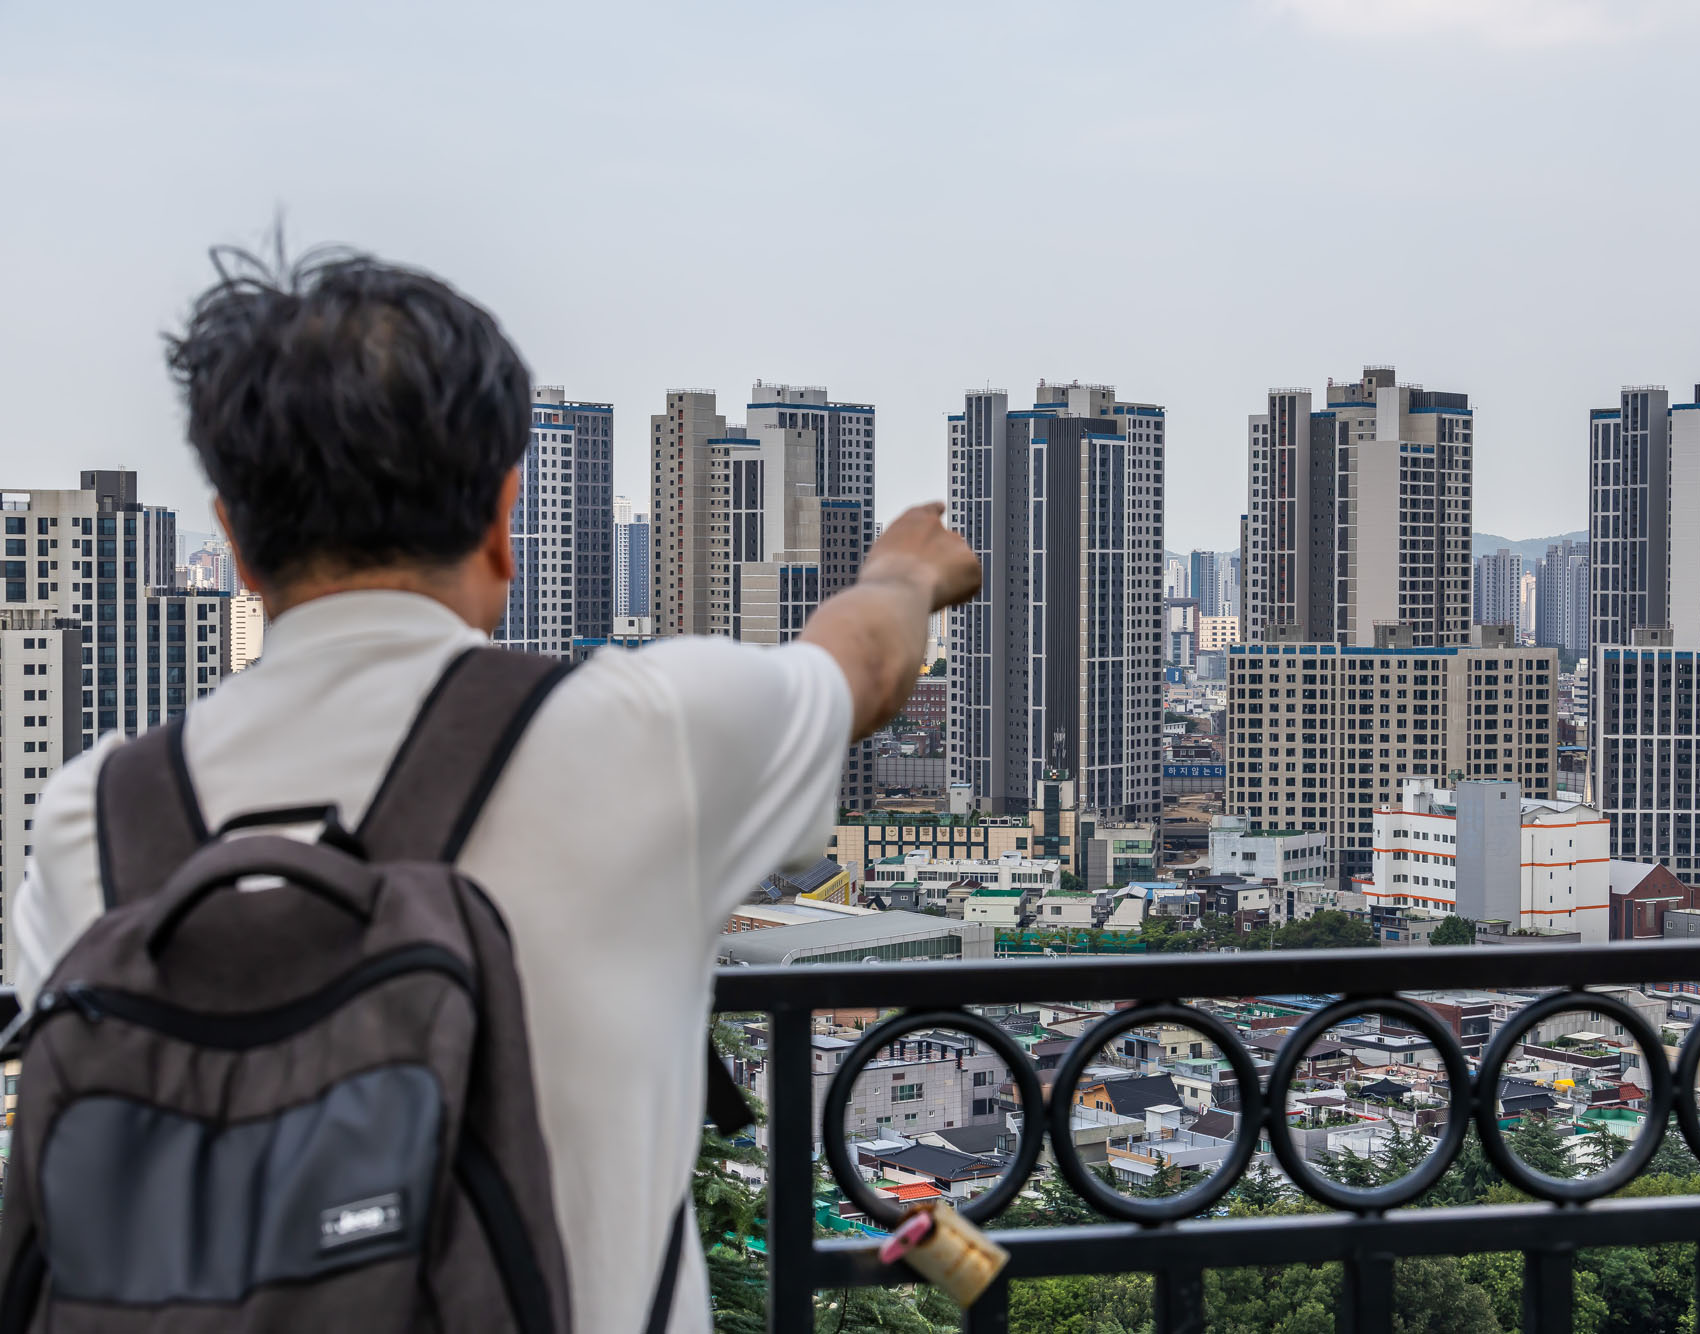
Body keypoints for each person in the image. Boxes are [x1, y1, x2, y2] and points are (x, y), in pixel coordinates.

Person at [10, 246, 980, 1332]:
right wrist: (905, 569)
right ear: (503, 512)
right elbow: (866, 665)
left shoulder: (90, 817)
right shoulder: (639, 733)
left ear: (232, 532)